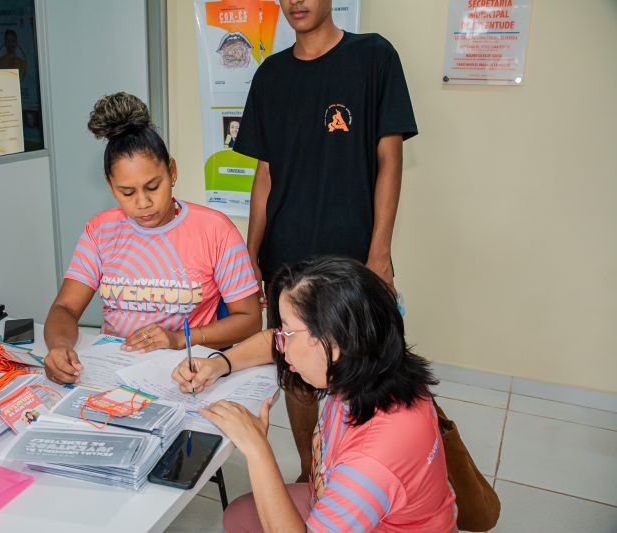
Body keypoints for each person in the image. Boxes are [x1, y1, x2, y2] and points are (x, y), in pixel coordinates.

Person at [233, 0, 418, 481]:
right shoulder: (271, 76)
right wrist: (250, 253)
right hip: (286, 259)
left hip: (353, 260)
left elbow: (390, 161)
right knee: (296, 372)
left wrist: (379, 255)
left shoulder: (373, 57)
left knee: (360, 372)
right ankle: (309, 471)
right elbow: (265, 176)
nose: (296, 2)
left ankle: (358, 474)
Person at [172, 257, 456, 532]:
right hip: (337, 496)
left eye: (288, 334)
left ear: (335, 340)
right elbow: (271, 342)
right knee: (239, 516)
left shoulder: (370, 463)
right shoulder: (370, 364)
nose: (280, 345)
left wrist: (257, 450)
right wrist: (220, 364)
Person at [43, 92, 262, 384]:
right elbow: (65, 308)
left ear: (172, 172)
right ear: (110, 186)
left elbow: (249, 319)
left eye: (153, 187)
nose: (143, 203)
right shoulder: (100, 230)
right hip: (116, 371)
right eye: (127, 192)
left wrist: (178, 339)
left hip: (187, 372)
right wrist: (59, 346)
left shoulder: (215, 230)